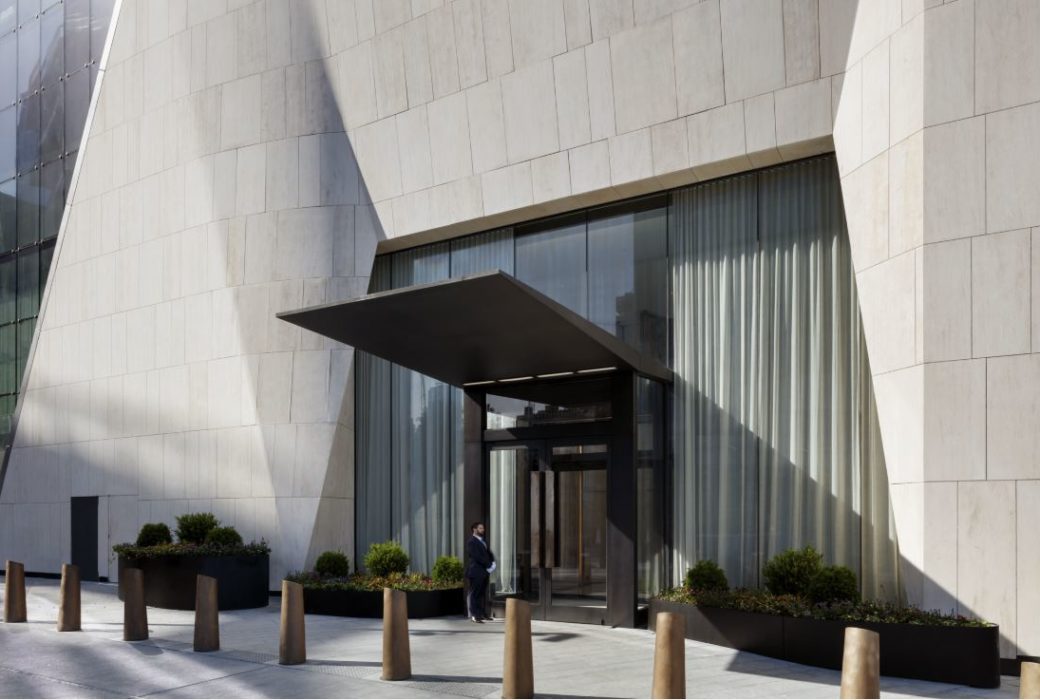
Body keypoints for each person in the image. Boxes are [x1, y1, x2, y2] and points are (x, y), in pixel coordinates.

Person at [465, 521, 496, 623]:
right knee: (475, 594)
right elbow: (476, 556)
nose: (483, 530)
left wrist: (492, 562)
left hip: (484, 571)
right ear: (474, 529)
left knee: (482, 593)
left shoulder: (483, 541)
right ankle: (475, 615)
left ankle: (482, 613)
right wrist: (488, 565)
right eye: (480, 528)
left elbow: (488, 554)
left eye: (483, 528)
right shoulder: (471, 542)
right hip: (476, 571)